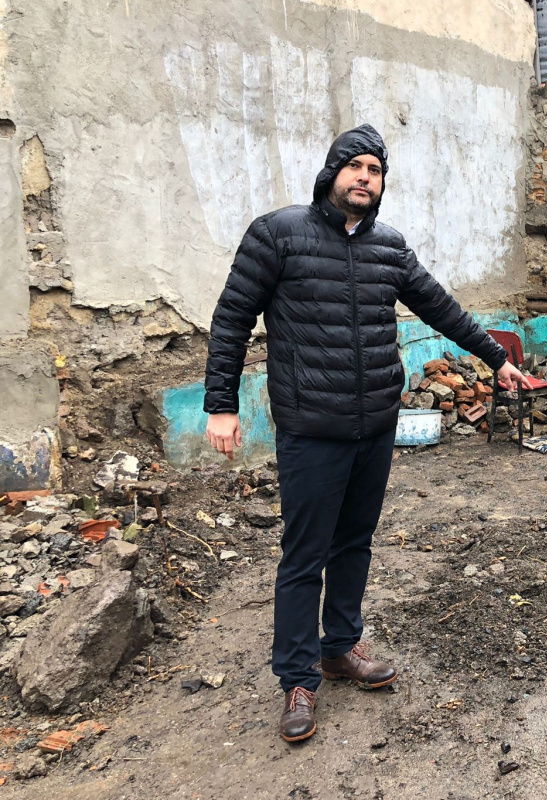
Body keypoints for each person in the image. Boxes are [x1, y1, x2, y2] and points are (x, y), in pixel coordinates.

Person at [202, 124, 530, 743]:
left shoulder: (390, 247)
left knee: (354, 543)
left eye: (375, 170)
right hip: (310, 427)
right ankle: (298, 678)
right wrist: (221, 404)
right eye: (354, 166)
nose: (365, 178)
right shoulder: (278, 234)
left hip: (375, 426)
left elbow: (440, 306)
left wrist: (494, 357)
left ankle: (340, 648)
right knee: (305, 556)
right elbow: (232, 318)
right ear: (332, 173)